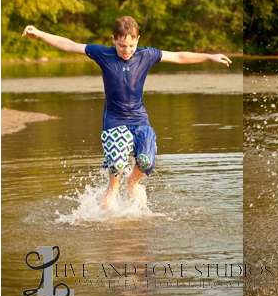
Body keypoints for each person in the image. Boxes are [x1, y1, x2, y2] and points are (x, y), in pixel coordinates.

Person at [22, 17, 232, 209]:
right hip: (114, 121)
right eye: (122, 45)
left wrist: (209, 57)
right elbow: (69, 45)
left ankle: (132, 182)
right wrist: (39, 33)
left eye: (131, 45)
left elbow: (178, 56)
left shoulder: (146, 55)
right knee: (117, 163)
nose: (126, 50)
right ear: (113, 40)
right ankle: (112, 190)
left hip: (140, 120)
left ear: (137, 39)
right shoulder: (103, 54)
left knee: (146, 161)